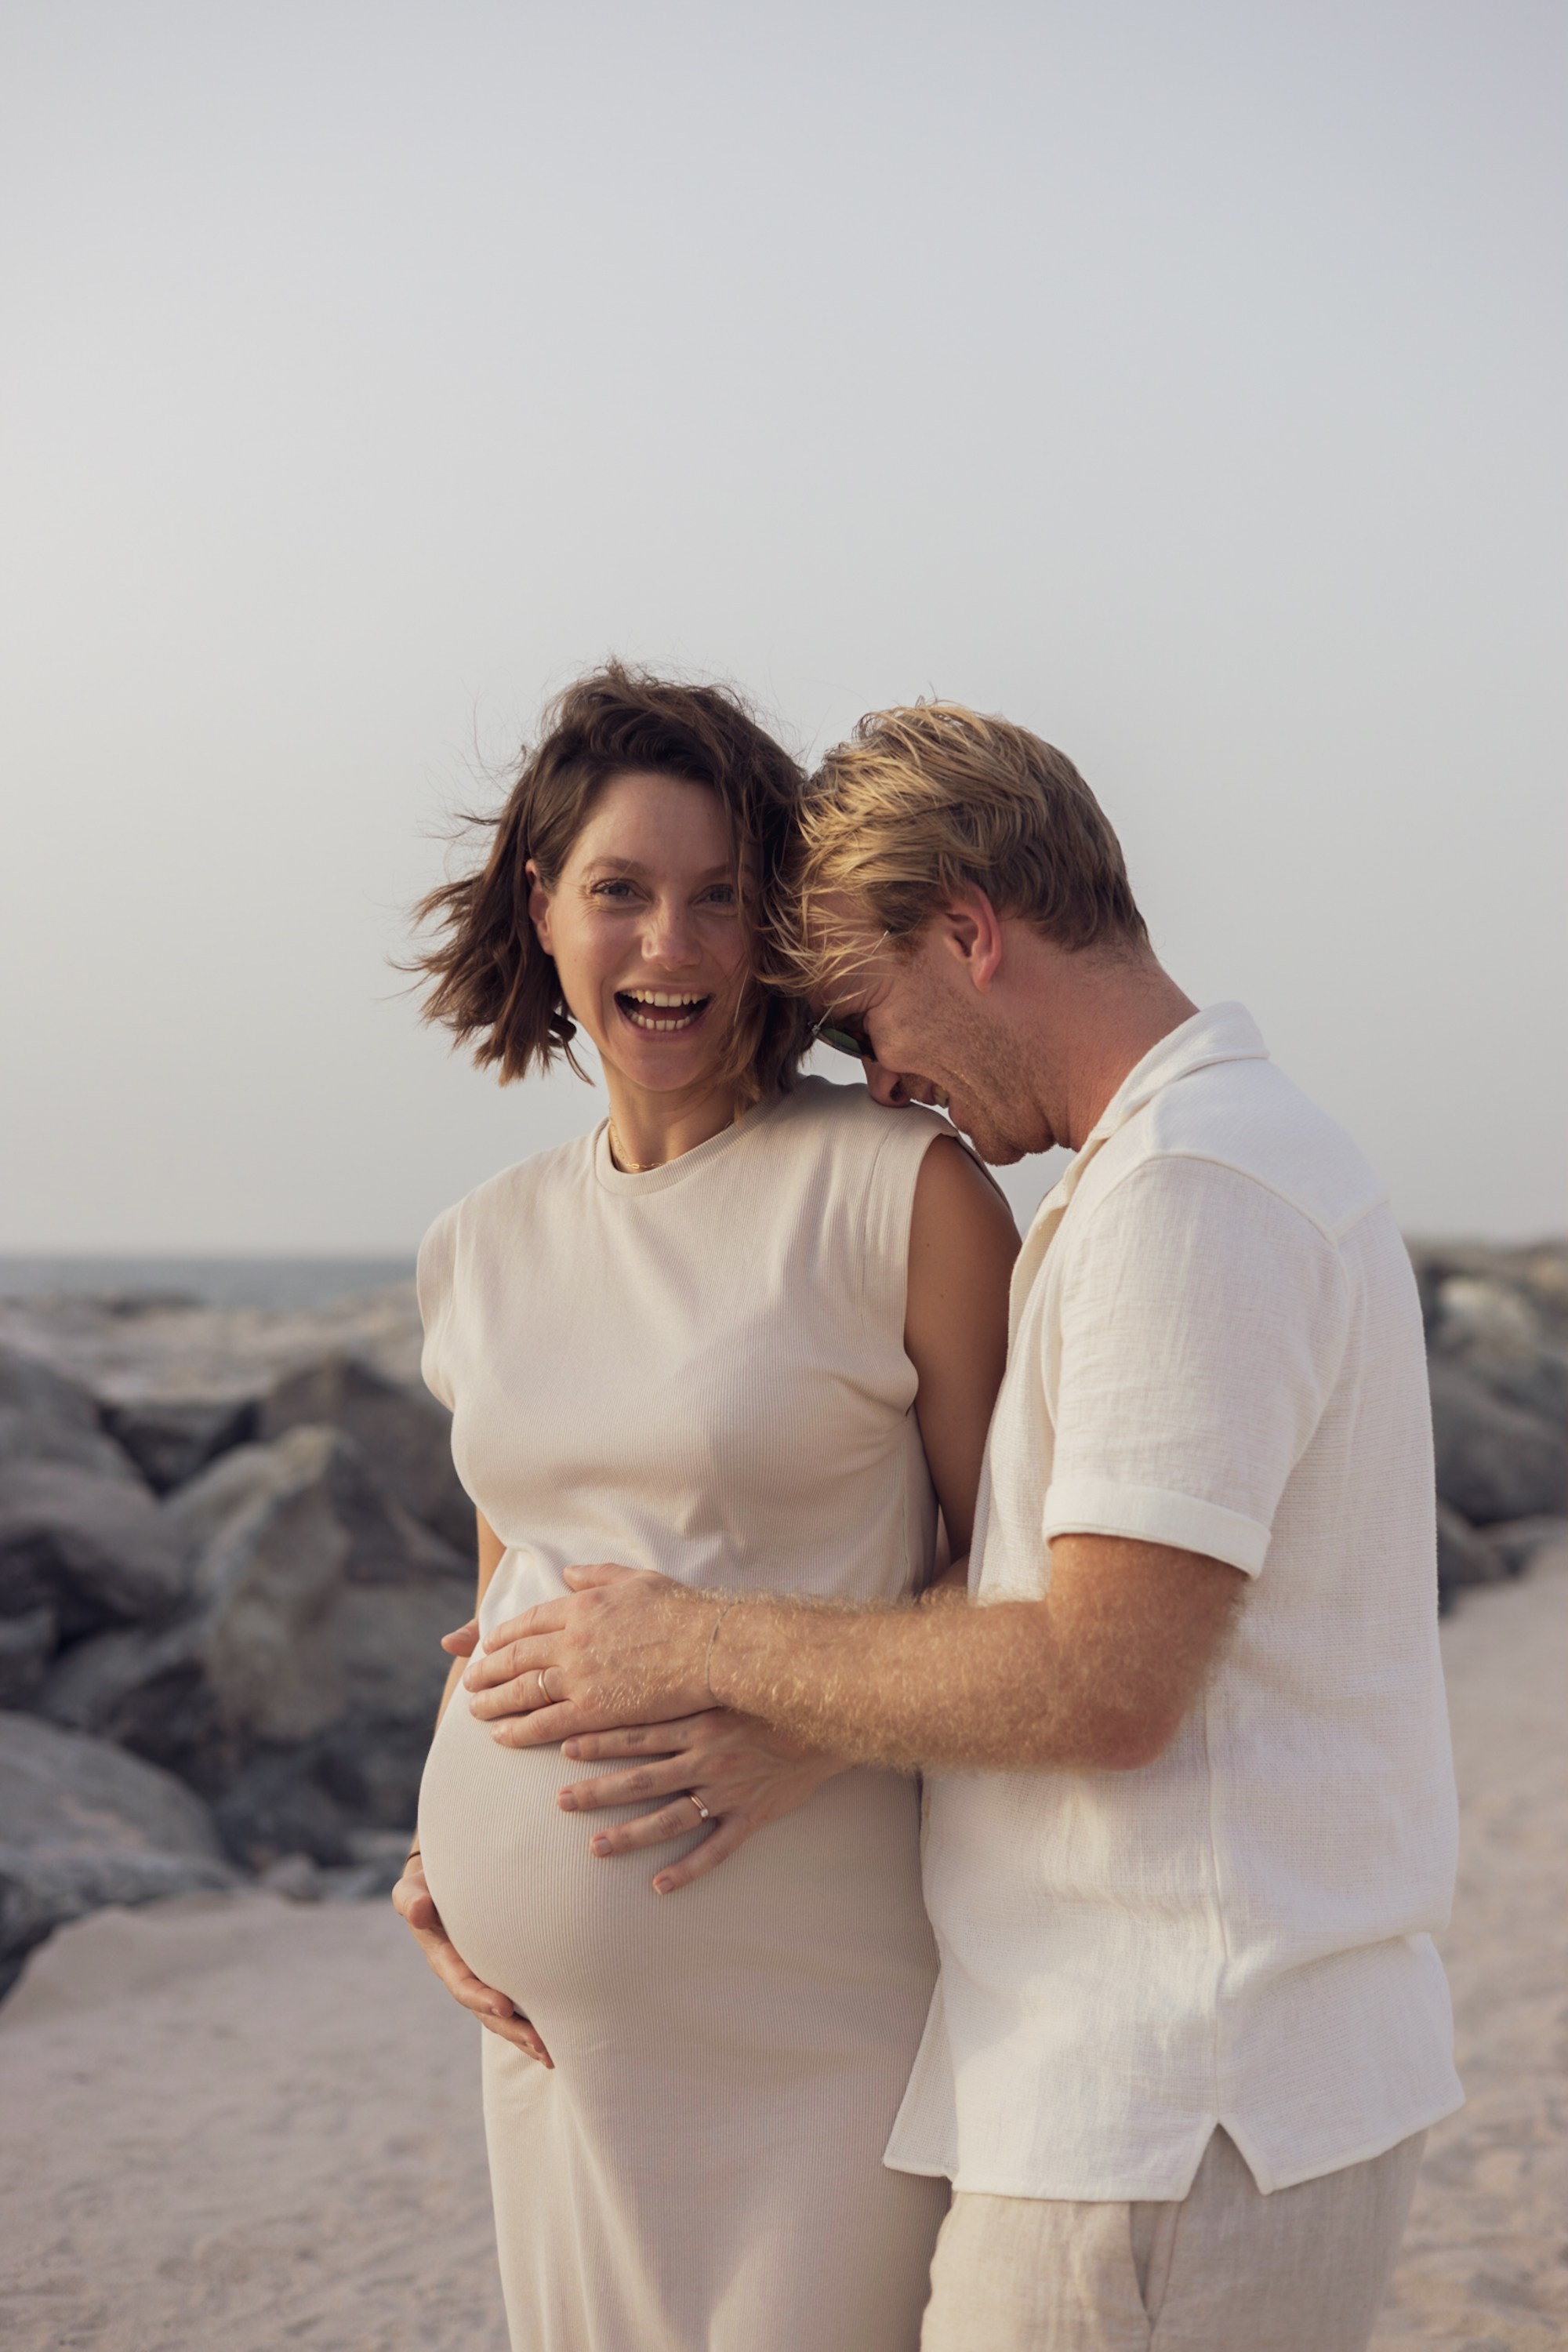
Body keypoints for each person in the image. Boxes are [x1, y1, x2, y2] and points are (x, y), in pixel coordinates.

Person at [467, 702, 1464, 2352]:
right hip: (1138, 2111)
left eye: (864, 1015)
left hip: (1168, 2110)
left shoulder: (1190, 1194)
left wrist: (696, 1646)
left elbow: (1101, 1681)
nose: (880, 1077)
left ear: (969, 933)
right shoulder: (1165, 1172)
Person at [392, 668, 1018, 2352]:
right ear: (543, 910)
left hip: (813, 2012)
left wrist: (815, 1729)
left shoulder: (902, 1196)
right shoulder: (478, 1244)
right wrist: (439, 1846)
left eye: (719, 897)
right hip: (540, 2036)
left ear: (776, 932)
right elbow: (514, 1589)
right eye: (620, 891)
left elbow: (1029, 1587)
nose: (668, 946)